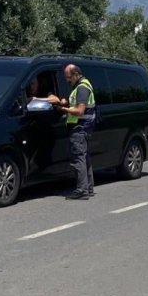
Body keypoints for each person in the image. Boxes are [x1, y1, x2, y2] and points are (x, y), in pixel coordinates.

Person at [47, 64, 96, 200]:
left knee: (78, 159)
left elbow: (79, 111)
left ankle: (82, 190)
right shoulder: (80, 85)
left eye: (68, 77)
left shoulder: (81, 88)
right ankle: (89, 188)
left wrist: (63, 109)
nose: (67, 80)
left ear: (75, 74)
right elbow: (74, 103)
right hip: (84, 128)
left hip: (79, 128)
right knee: (84, 159)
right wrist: (65, 102)